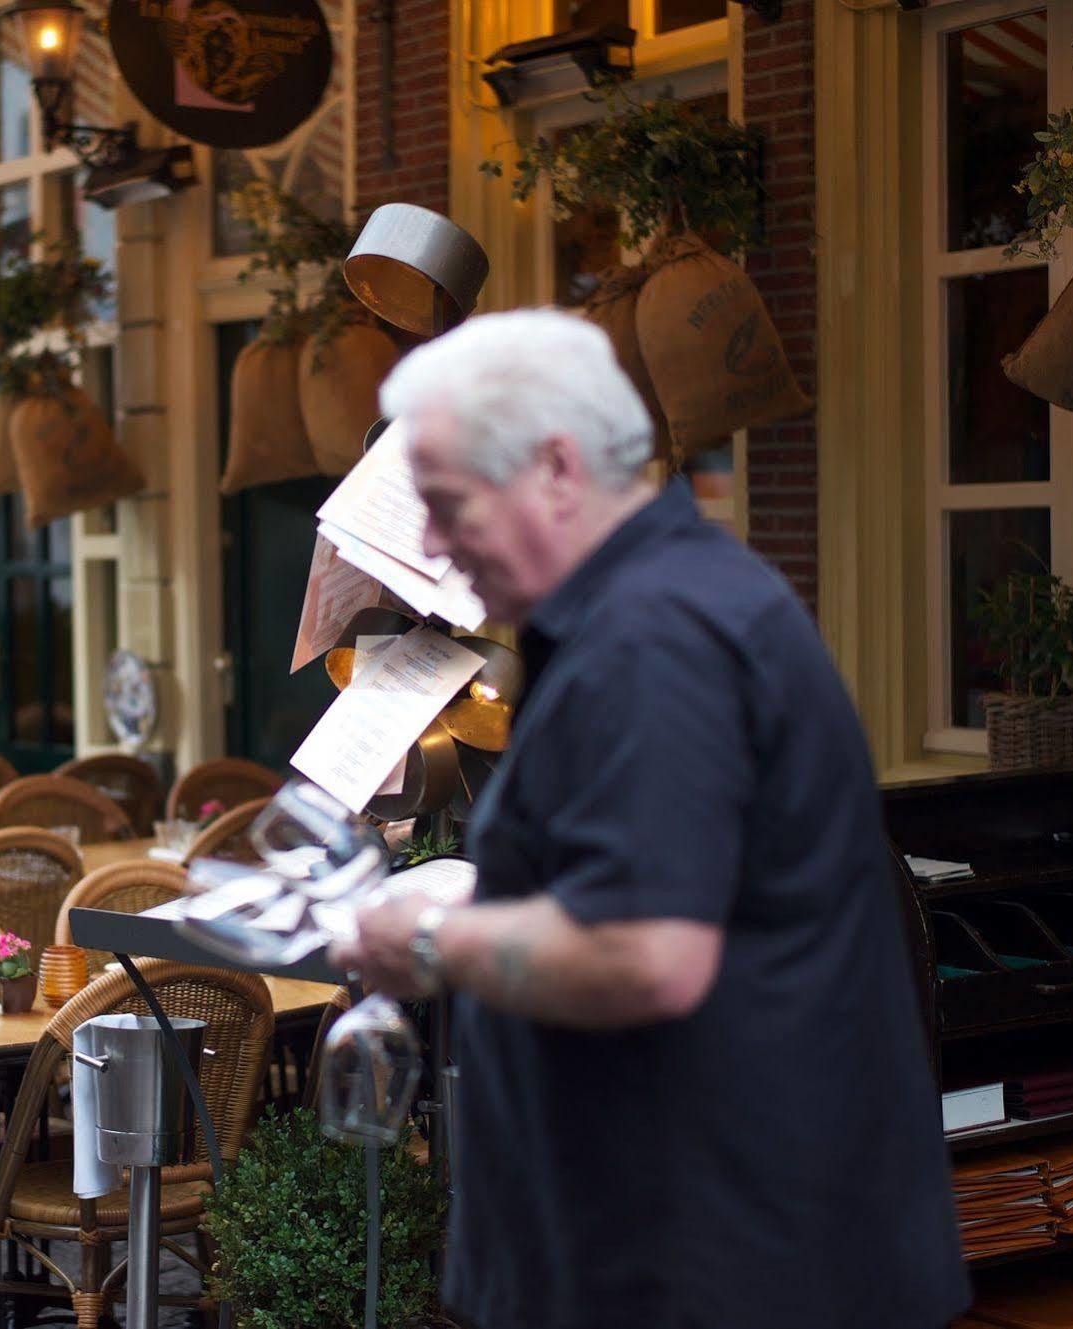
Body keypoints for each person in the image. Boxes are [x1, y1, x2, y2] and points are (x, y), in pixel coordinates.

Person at [331, 309, 968, 1328]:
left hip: (712, 1271)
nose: (439, 544)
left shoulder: (652, 639)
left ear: (553, 466)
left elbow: (643, 955)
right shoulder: (667, 603)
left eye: (451, 504)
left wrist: (433, 935)